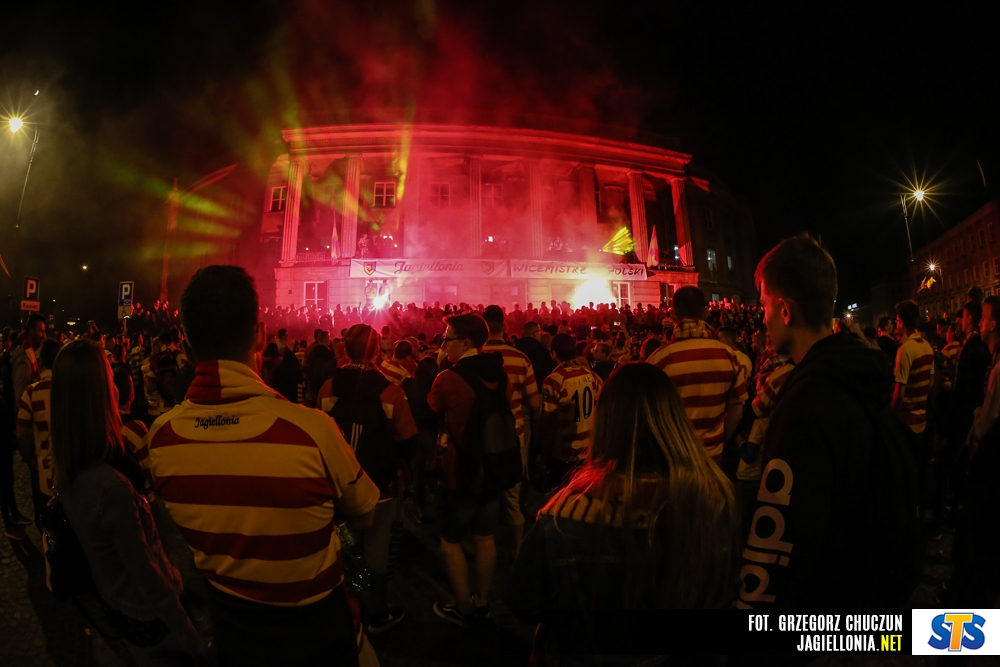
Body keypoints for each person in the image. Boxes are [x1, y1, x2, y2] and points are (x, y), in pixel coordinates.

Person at [146, 266, 379, 666]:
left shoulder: (161, 439)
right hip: (319, 635)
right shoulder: (311, 430)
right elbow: (366, 510)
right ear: (260, 333)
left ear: (185, 347)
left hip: (231, 631)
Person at [503, 363, 740, 662]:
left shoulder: (565, 517)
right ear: (674, 418)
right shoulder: (714, 500)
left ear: (606, 423)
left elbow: (523, 602)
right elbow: (725, 592)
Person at [738, 234, 912, 608]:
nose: (762, 318)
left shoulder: (803, 406)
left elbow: (778, 540)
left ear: (785, 311)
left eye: (764, 304)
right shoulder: (863, 376)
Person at [50, 339, 207, 665]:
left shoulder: (67, 472)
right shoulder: (112, 489)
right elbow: (149, 578)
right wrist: (194, 641)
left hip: (116, 605)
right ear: (100, 393)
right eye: (109, 376)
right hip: (150, 622)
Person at [315, 324, 418, 634]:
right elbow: (408, 441)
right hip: (380, 489)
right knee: (376, 553)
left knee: (342, 550)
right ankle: (377, 613)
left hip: (338, 487)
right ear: (378, 352)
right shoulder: (391, 391)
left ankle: (346, 611)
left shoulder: (329, 388)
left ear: (345, 350)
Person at [427, 313, 507, 626]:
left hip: (459, 470)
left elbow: (430, 410)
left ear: (466, 343)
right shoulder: (499, 371)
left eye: (448, 339)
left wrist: (439, 370)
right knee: (486, 537)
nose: (444, 344)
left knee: (451, 539)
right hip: (493, 463)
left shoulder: (449, 377)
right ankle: (483, 601)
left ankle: (463, 606)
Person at [646, 287, 748, 464]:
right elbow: (736, 413)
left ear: (673, 315)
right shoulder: (729, 356)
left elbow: (648, 416)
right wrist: (718, 443)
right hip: (713, 459)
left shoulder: (658, 359)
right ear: (705, 313)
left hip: (674, 461)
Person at [482, 305, 541, 556]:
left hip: (481, 435)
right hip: (514, 434)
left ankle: (485, 549)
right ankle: (518, 551)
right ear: (504, 326)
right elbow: (534, 403)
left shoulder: (473, 357)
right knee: (513, 497)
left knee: (484, 495)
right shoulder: (520, 358)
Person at [539, 333, 603, 489]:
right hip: (588, 450)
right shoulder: (591, 375)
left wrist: (543, 454)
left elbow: (548, 422)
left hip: (564, 453)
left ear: (553, 353)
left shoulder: (553, 380)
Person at [16, 338, 61, 528]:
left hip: (44, 475)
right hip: (72, 477)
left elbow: (22, 434)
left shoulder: (31, 393)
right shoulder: (71, 389)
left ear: (41, 362)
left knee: (46, 524)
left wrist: (32, 458)